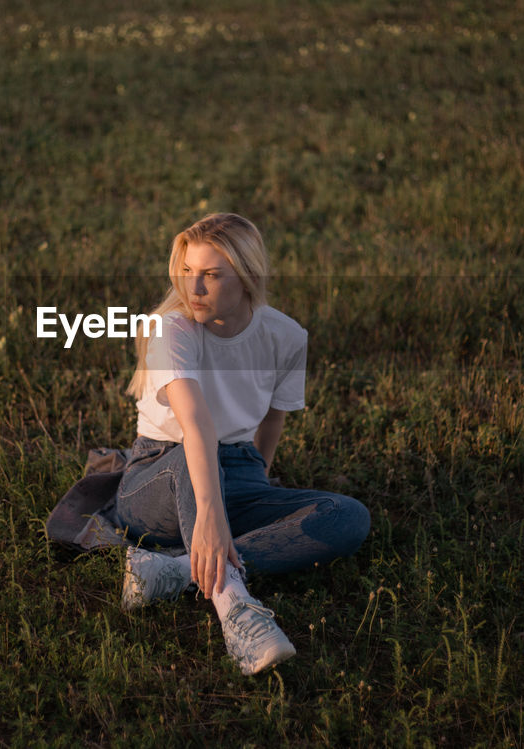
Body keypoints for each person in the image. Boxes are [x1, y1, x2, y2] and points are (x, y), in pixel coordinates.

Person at [110, 212, 370, 675]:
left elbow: (272, 420)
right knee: (193, 460)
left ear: (247, 277)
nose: (194, 289)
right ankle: (233, 605)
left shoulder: (286, 336)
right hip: (159, 475)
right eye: (187, 273)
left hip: (237, 470)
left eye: (211, 275)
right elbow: (196, 423)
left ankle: (176, 571)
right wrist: (211, 513)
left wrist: (257, 479)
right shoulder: (171, 329)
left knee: (348, 517)